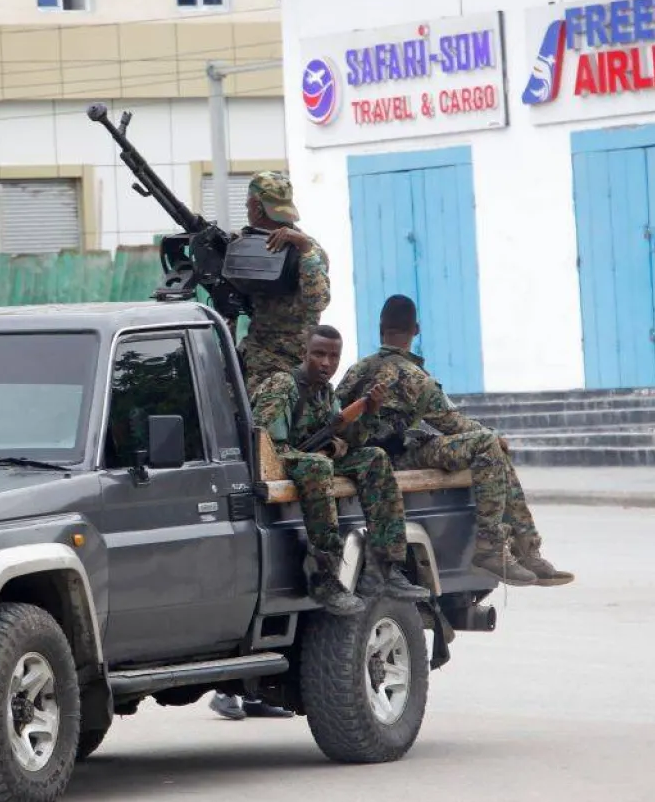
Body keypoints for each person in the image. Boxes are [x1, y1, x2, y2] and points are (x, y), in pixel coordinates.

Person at [336, 295, 573, 588]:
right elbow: (453, 424)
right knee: (488, 444)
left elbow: (336, 414)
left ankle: (524, 548)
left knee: (488, 444)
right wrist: (494, 437)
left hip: (362, 456)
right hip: (396, 457)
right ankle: (500, 546)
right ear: (416, 330)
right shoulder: (416, 378)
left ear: (380, 328)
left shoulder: (355, 370)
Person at [253, 324, 431, 616]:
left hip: (312, 460)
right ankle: (324, 575)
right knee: (317, 465)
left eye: (333, 357)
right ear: (304, 353)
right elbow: (267, 445)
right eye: (319, 354)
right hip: (283, 461)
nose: (326, 363)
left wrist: (367, 414)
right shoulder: (282, 385)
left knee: (374, 457)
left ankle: (386, 566)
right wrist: (320, 454)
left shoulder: (326, 393)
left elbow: (350, 441)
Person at [236, 172, 331, 393]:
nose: (247, 211)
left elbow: (319, 301)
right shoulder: (248, 244)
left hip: (289, 369)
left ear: (257, 208)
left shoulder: (307, 249)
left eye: (248, 206)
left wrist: (304, 249)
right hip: (254, 358)